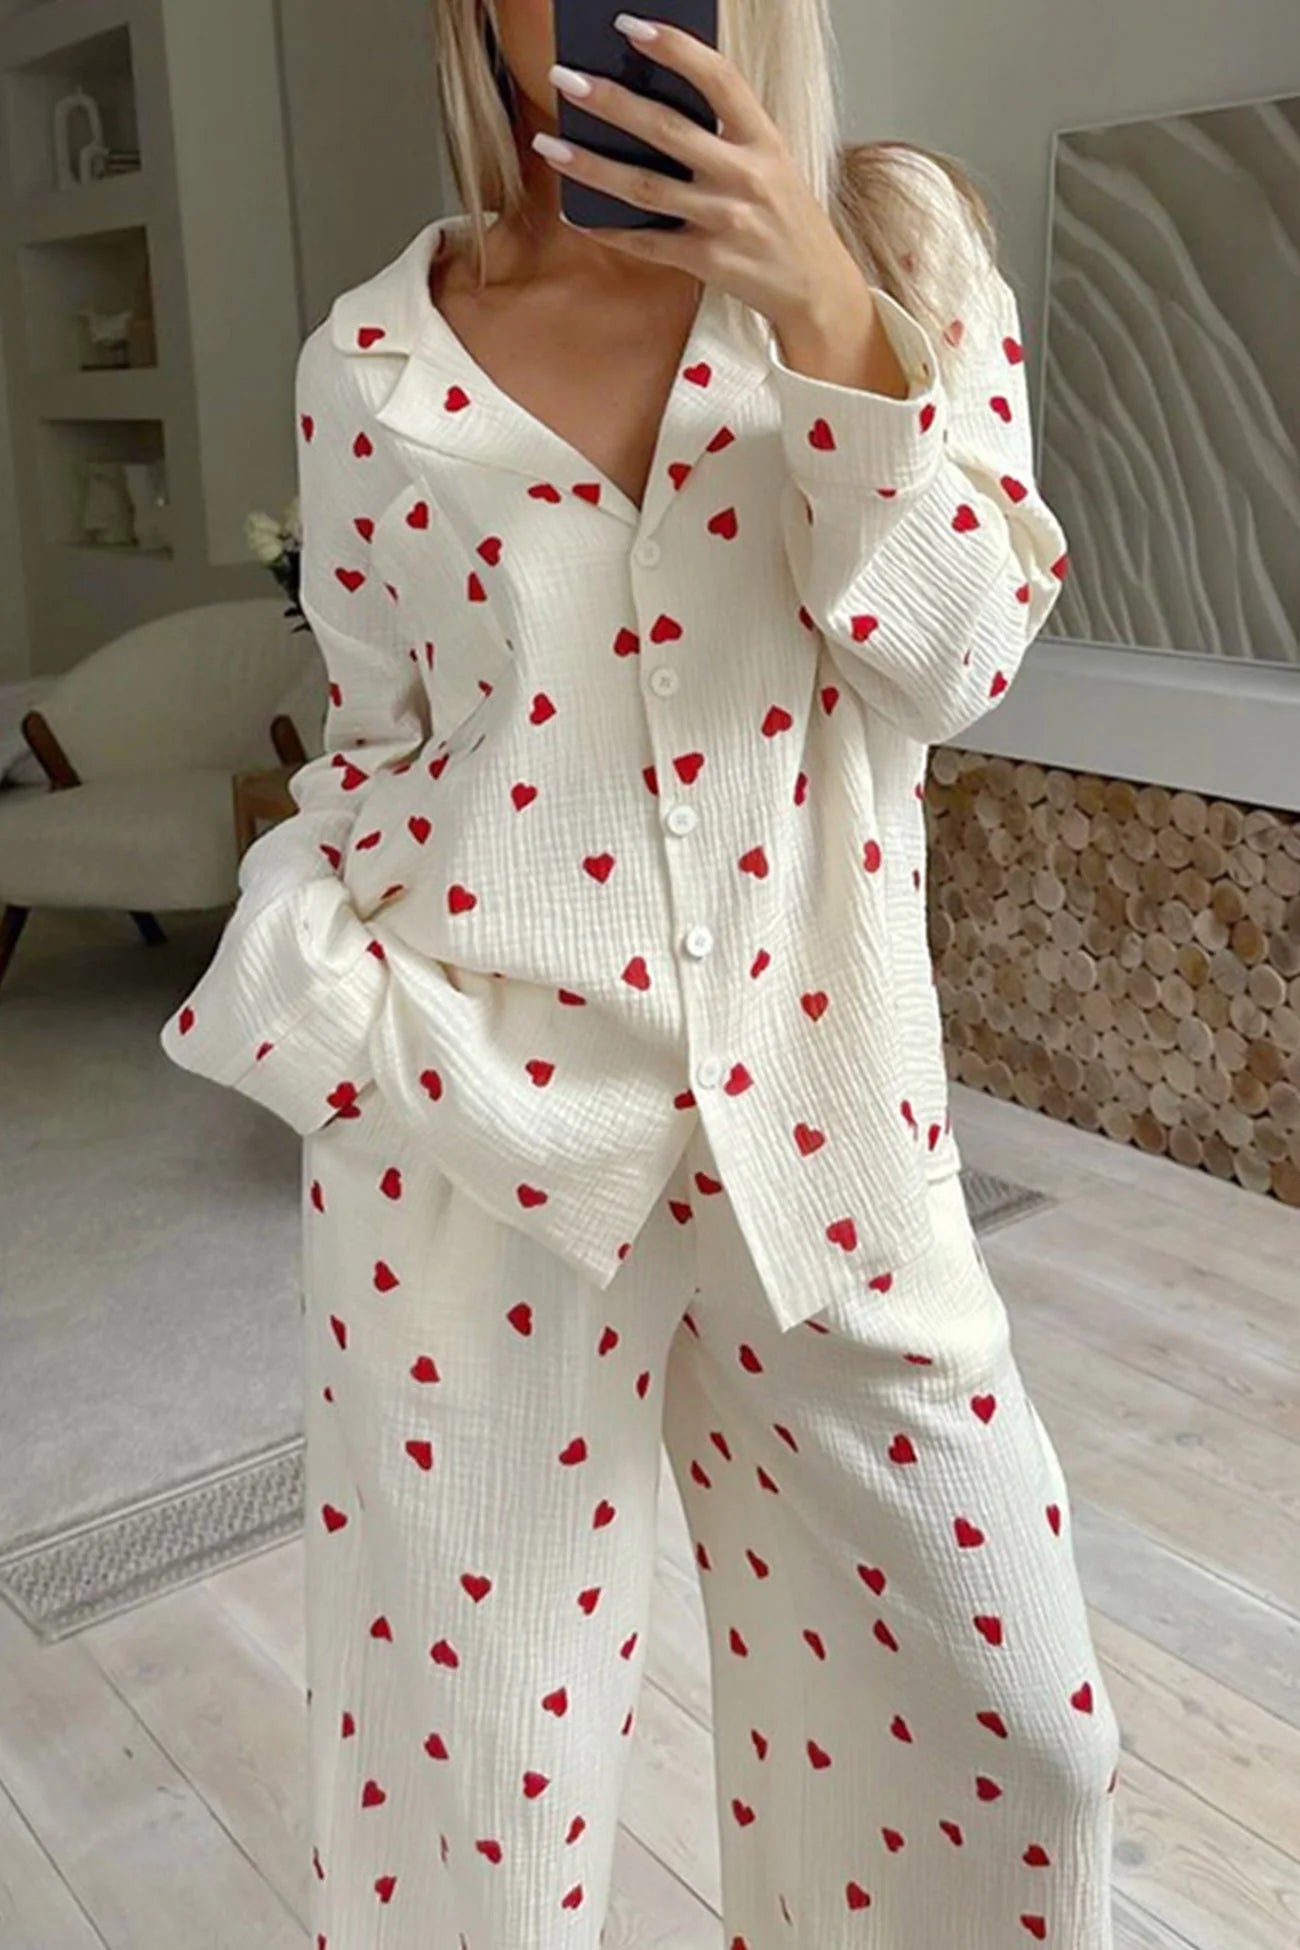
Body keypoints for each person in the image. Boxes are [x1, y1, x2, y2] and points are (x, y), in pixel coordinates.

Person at [160, 4, 1121, 1944]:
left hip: (832, 1146)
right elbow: (371, 753)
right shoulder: (371, 361)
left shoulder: (897, 244)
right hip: (476, 1152)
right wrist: (320, 998)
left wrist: (821, 307)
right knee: (472, 1829)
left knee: (1015, 1742)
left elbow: (959, 662)